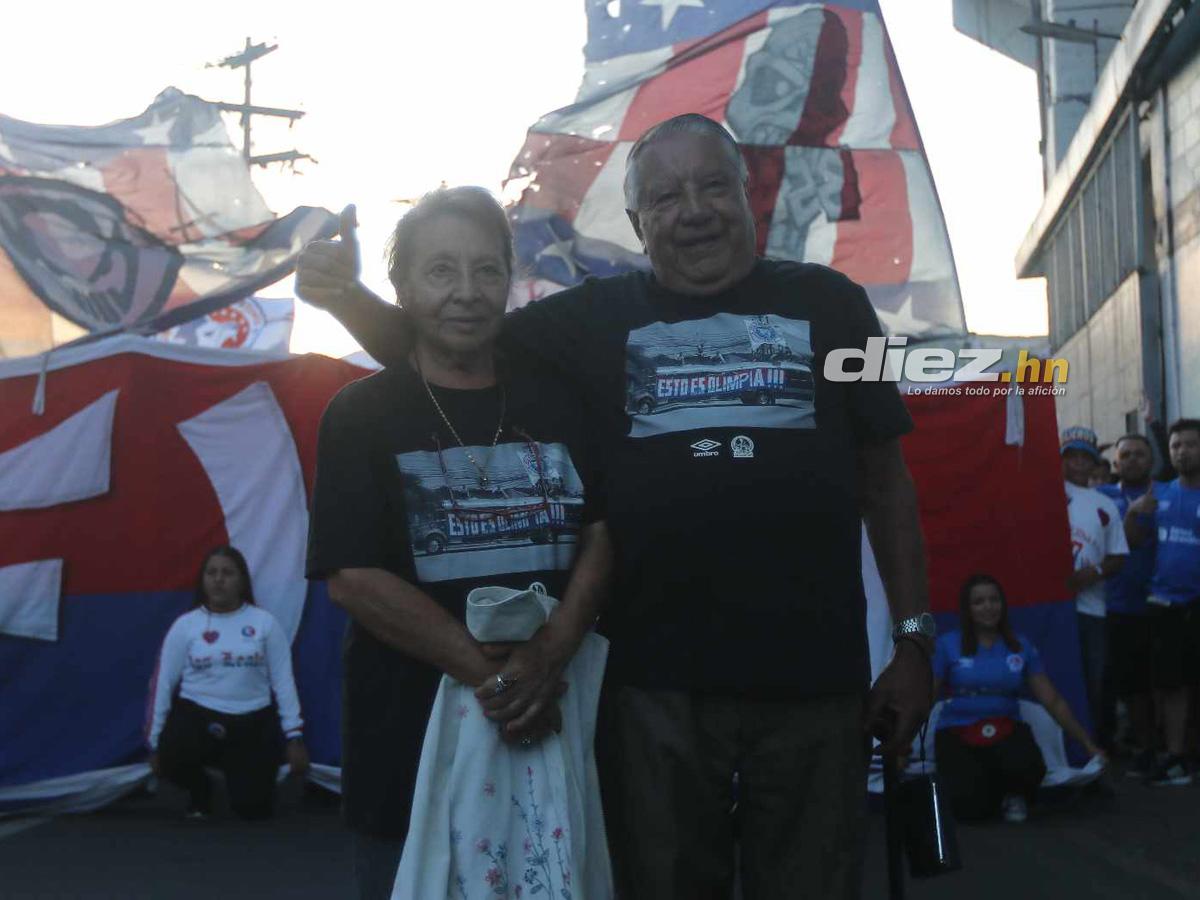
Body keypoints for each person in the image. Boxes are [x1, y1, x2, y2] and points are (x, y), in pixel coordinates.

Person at [298, 114, 932, 899]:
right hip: (652, 694)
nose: (692, 209)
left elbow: (887, 483)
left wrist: (913, 644)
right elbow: (448, 342)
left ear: (749, 195)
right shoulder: (588, 321)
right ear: (636, 224)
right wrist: (345, 297)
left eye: (711, 186)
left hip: (813, 689)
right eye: (664, 196)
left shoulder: (834, 307)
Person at [304, 187, 612, 900]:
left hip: (559, 723)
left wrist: (550, 653)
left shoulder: (561, 401)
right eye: (441, 272)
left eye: (486, 271)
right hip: (407, 754)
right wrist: (495, 677)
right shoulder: (358, 416)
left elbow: (600, 532)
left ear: (510, 279)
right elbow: (351, 576)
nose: (466, 293)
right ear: (403, 286)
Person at [147, 546, 309, 820]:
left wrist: (295, 736)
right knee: (172, 758)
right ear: (203, 580)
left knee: (252, 808)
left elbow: (284, 682)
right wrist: (154, 744)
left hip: (251, 719)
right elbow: (163, 685)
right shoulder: (186, 626)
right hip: (196, 715)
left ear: (242, 580)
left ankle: (241, 783)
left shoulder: (264, 623)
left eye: (227, 573)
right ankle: (201, 790)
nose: (218, 579)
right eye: (211, 573)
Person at [933, 574, 1104, 824]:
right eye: (979, 602)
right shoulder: (947, 645)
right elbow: (925, 696)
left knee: (1027, 765)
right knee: (969, 810)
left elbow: (1053, 700)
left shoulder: (1019, 646)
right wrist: (903, 745)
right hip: (957, 730)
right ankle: (987, 792)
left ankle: (1013, 793)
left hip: (1005, 729)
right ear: (967, 609)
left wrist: (1088, 744)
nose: (988, 607)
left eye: (994, 600)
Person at [1126, 418, 1200, 786]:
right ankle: (1175, 756)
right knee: (1170, 685)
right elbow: (1135, 541)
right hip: (1165, 605)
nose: (1183, 451)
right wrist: (1134, 512)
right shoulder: (1162, 494)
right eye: (1176, 446)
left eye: (1190, 444)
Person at [1061, 425, 1127, 745]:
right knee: (1055, 681)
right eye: (1069, 456)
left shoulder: (1105, 504)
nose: (1076, 463)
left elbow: (1118, 557)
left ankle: (1092, 752)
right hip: (1052, 604)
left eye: (1083, 457)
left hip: (1091, 608)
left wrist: (1095, 572)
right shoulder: (1044, 494)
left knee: (1093, 684)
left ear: (1094, 463)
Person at [1096, 434, 1157, 775]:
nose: (1133, 460)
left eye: (1140, 454)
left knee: (1158, 684)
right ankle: (1119, 743)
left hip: (1159, 605)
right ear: (1116, 463)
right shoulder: (1102, 497)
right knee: (1121, 683)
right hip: (1114, 606)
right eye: (1126, 455)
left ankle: (1155, 744)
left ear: (1151, 460)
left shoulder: (1165, 495)